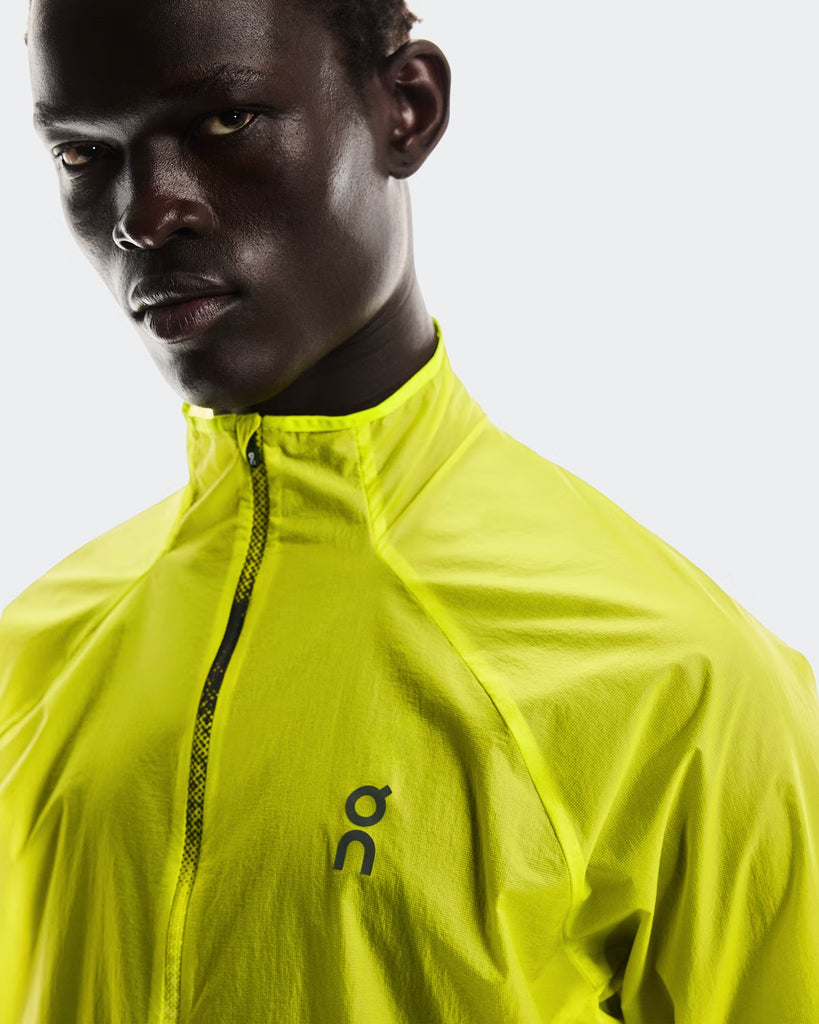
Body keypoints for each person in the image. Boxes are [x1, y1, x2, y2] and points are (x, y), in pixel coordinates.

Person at [2, 0, 817, 1020]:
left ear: (408, 108)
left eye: (225, 122)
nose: (147, 213)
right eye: (83, 154)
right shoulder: (33, 654)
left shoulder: (681, 681)